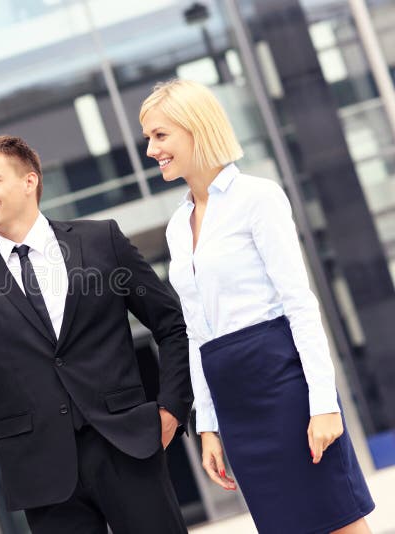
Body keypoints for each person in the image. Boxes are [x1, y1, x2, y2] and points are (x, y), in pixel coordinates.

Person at [0, 135, 193, 533]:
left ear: (29, 182)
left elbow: (172, 325)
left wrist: (172, 409)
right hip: (42, 469)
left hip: (127, 447)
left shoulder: (102, 241)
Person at [140, 79, 375, 534]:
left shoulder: (258, 198)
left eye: (160, 135)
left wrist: (324, 403)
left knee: (339, 522)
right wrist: (207, 423)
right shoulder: (175, 226)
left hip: (283, 385)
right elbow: (196, 332)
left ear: (195, 128)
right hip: (232, 400)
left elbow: (299, 303)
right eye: (149, 137)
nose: (151, 150)